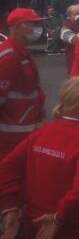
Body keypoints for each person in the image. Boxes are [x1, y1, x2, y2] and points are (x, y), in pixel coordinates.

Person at [0, 76, 79, 239]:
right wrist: (58, 218)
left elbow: (7, 169)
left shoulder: (41, 133)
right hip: (76, 228)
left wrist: (9, 206)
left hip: (34, 224)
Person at [0, 8, 47, 158]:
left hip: (25, 129)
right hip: (12, 136)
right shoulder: (10, 55)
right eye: (33, 24)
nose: (38, 28)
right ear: (19, 27)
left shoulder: (21, 51)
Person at [59, 5, 79, 73]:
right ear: (70, 16)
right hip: (74, 63)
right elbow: (73, 40)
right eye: (77, 14)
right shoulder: (65, 28)